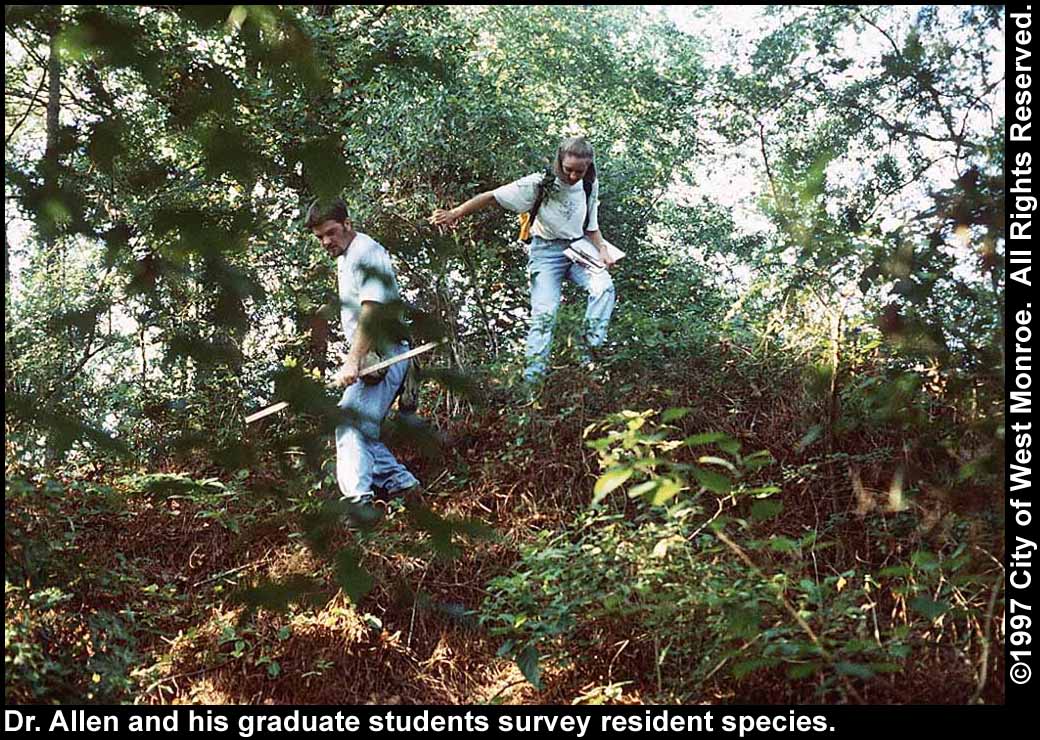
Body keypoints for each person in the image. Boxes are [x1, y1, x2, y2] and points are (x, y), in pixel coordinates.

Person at [430, 136, 616, 385]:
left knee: (604, 287)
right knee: (544, 312)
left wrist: (602, 250)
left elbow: (591, 226)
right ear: (559, 161)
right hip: (546, 253)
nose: (572, 176)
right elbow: (492, 196)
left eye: (579, 171)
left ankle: (587, 353)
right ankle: (532, 383)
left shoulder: (590, 184)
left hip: (578, 248)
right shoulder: (540, 183)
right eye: (568, 169)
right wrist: (455, 213)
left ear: (588, 167)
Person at [307, 198, 419, 505]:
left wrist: (353, 360)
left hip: (386, 355)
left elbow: (372, 309)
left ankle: (359, 503)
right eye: (320, 237)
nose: (326, 241)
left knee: (347, 422)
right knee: (361, 430)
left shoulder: (366, 252)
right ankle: (402, 485)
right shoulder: (346, 257)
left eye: (331, 232)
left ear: (347, 224)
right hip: (376, 355)